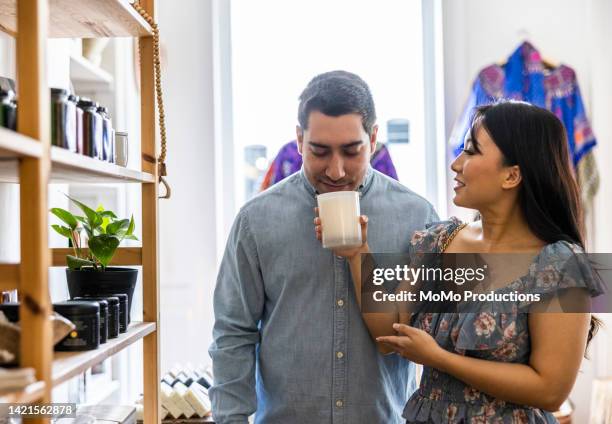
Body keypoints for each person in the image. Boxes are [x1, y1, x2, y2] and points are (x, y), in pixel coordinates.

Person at [316, 100, 602, 423]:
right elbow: (389, 335)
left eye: (471, 151)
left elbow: (550, 390)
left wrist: (438, 359)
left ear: (512, 175)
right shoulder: (440, 241)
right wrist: (358, 253)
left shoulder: (560, 265)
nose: (456, 164)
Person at [209, 70, 438, 423]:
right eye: (319, 151)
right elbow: (233, 332)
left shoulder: (418, 217)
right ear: (299, 139)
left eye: (351, 151)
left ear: (373, 138)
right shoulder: (256, 220)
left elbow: (431, 336)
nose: (335, 170)